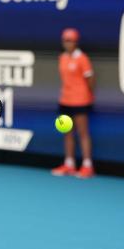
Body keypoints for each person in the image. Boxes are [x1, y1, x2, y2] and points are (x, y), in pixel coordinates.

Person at [51, 28, 96, 178]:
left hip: (81, 100)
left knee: (83, 133)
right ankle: (69, 164)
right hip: (65, 100)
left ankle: (87, 166)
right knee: (67, 133)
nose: (67, 43)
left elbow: (90, 80)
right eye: (65, 40)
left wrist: (87, 96)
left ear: (76, 42)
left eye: (70, 40)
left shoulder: (82, 58)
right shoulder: (62, 57)